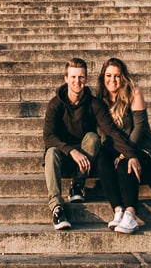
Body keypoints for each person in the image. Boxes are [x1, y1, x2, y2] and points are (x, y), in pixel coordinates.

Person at [43, 57, 140, 231]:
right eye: (73, 77)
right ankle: (57, 208)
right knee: (51, 152)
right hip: (63, 157)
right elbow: (49, 136)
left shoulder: (94, 103)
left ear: (86, 79)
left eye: (81, 77)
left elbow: (111, 131)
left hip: (86, 158)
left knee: (93, 138)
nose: (77, 81)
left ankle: (78, 185)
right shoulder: (55, 104)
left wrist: (132, 155)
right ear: (66, 79)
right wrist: (71, 151)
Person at [95, 57, 151, 234]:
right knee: (102, 158)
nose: (113, 80)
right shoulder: (100, 101)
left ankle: (131, 214)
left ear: (123, 77)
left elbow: (139, 129)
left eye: (117, 76)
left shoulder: (134, 93)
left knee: (126, 164)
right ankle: (118, 210)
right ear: (103, 78)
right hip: (119, 152)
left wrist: (126, 153)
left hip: (144, 152)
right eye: (108, 75)